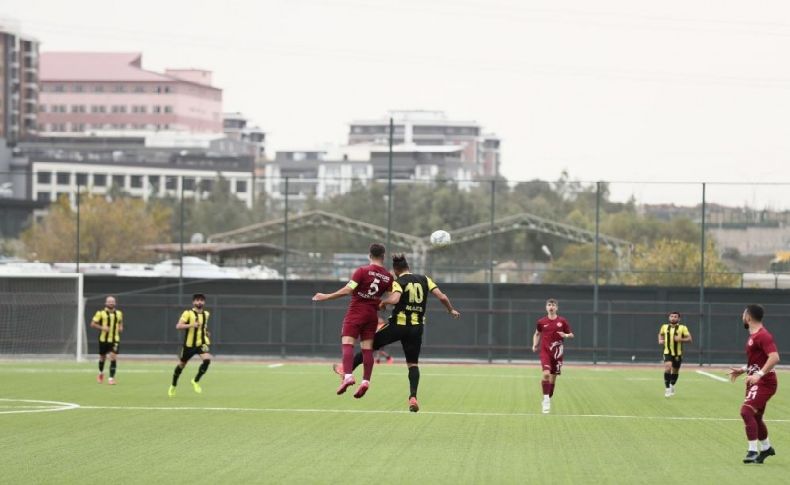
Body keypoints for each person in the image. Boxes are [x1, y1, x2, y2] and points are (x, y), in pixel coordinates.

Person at [336, 253, 460, 412]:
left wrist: (384, 302)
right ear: (408, 266)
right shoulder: (425, 279)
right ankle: (413, 396)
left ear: (395, 270)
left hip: (398, 325)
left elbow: (394, 300)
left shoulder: (398, 281)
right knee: (413, 364)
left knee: (369, 345)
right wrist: (451, 309)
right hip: (416, 328)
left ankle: (346, 370)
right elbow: (442, 296)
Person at [313, 243, 394, 398]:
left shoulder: (362, 271)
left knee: (348, 343)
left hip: (356, 312)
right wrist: (383, 303)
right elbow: (393, 296)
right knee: (367, 349)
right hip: (372, 315)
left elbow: (349, 289)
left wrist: (327, 296)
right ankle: (365, 382)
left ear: (369, 255)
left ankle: (348, 376)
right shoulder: (388, 277)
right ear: (383, 257)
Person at [728, 304, 780, 464]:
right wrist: (744, 369)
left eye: (743, 314)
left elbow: (774, 357)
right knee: (756, 417)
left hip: (764, 382)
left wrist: (759, 374)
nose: (742, 317)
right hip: (755, 380)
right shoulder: (754, 336)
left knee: (746, 412)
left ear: (748, 317)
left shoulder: (763, 336)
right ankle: (766, 448)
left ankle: (752, 451)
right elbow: (759, 360)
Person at [532, 298, 574, 414]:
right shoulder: (541, 322)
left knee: (552, 381)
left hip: (557, 353)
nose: (551, 307)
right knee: (546, 374)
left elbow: (571, 335)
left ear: (556, 308)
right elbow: (536, 334)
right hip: (545, 352)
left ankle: (548, 397)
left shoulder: (562, 321)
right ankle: (546, 401)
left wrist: (565, 335)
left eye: (553, 305)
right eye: (549, 305)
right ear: (546, 307)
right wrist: (535, 345)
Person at [168, 293, 213, 397]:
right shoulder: (188, 313)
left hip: (201, 343)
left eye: (201, 300)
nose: (199, 302)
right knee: (181, 365)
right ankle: (173, 385)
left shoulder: (206, 314)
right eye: (197, 300)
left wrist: (206, 332)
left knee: (207, 360)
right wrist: (192, 325)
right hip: (189, 345)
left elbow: (203, 327)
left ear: (204, 302)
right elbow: (178, 326)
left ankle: (195, 381)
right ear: (193, 302)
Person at [89, 295, 123, 385]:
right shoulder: (100, 313)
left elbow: (120, 322)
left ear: (115, 303)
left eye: (113, 301)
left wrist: (120, 328)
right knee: (102, 357)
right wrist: (102, 327)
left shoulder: (119, 313)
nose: (111, 303)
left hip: (115, 339)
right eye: (109, 301)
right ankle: (100, 373)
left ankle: (111, 378)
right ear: (106, 303)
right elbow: (92, 324)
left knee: (113, 356)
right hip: (103, 339)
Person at [657, 311, 692, 397]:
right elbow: (660, 334)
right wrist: (660, 340)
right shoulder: (664, 327)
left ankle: (672, 385)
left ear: (679, 319)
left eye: (675, 317)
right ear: (669, 318)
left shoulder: (683, 328)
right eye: (671, 316)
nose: (673, 318)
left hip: (677, 354)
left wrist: (680, 339)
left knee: (675, 371)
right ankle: (667, 389)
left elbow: (690, 339)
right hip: (667, 352)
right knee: (668, 368)